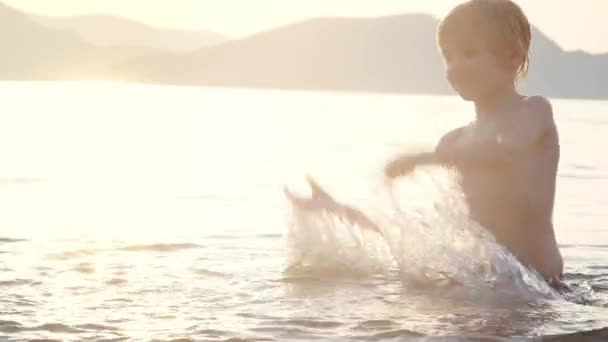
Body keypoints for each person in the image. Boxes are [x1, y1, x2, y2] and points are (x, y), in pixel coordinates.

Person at [384, 0, 563, 284]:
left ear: (513, 56)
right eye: (448, 57)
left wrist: (423, 159)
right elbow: (436, 229)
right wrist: (340, 218)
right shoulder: (453, 140)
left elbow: (503, 151)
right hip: (487, 284)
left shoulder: (533, 112)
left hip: (539, 287)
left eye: (468, 53)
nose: (455, 66)